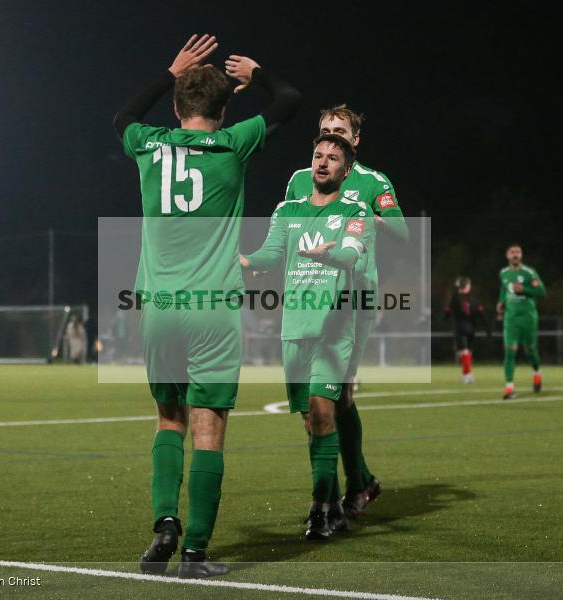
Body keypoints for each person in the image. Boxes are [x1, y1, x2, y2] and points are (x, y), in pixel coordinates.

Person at [114, 34, 300, 578]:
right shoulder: (234, 143)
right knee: (209, 428)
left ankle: (164, 524)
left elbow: (121, 115)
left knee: (168, 420)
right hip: (214, 308)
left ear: (176, 108)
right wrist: (257, 74)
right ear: (224, 109)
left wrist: (169, 72)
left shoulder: (149, 144)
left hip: (161, 309)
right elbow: (289, 99)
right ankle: (194, 552)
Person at [241, 133, 372, 540]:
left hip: (334, 329)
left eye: (332, 158)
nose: (322, 163)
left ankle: (318, 508)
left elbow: (352, 254)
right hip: (294, 328)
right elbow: (271, 254)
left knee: (321, 411)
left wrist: (328, 255)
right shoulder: (287, 210)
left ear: (345, 170)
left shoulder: (356, 210)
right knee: (311, 423)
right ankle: (333, 505)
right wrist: (244, 260)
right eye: (317, 155)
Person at [283, 104, 407, 520]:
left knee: (338, 395)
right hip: (309, 298)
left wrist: (367, 219)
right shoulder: (301, 179)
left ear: (355, 140)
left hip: (354, 298)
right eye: (324, 130)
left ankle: (347, 492)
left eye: (339, 130)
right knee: (312, 406)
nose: (330, 135)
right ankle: (344, 491)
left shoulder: (373, 182)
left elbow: (403, 231)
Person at [496, 243, 546, 399]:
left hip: (528, 318)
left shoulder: (529, 273)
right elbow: (504, 289)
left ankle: (537, 373)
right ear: (507, 255)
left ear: (521, 255)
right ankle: (509, 388)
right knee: (509, 351)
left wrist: (524, 290)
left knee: (530, 350)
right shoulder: (503, 273)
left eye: (518, 252)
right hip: (511, 319)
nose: (515, 254)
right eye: (512, 252)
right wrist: (501, 302)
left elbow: (542, 292)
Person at [442, 276, 492, 383]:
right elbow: (482, 314)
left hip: (460, 328)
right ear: (467, 286)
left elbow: (447, 311)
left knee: (463, 352)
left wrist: (444, 319)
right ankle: (466, 374)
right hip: (472, 329)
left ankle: (468, 374)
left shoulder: (455, 298)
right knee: (468, 352)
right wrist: (488, 328)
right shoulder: (474, 299)